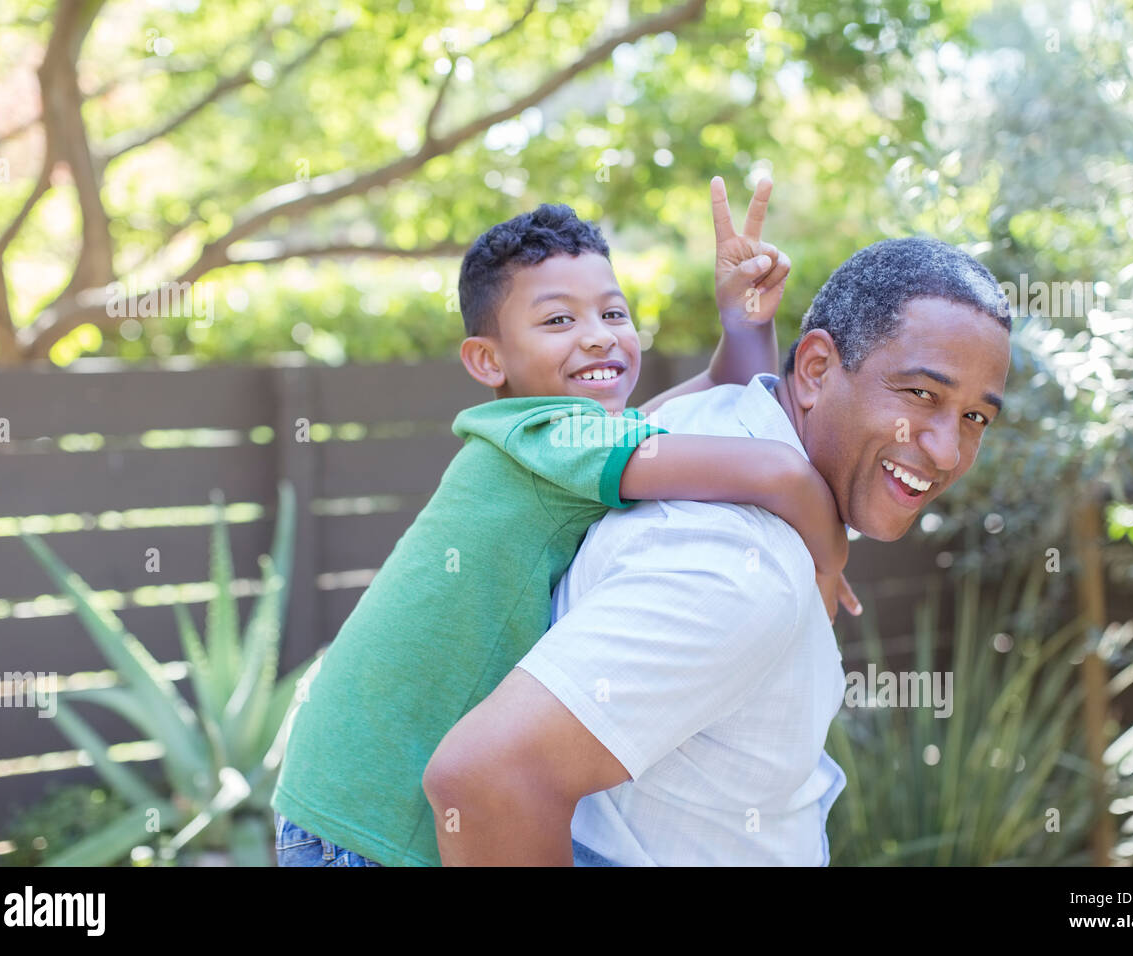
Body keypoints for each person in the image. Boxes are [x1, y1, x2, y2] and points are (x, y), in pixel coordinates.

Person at [270, 177, 856, 867]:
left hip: (338, 801)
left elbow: (721, 403)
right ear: (488, 360)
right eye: (558, 321)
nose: (597, 338)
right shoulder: (553, 438)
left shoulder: (558, 437)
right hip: (363, 829)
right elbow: (775, 471)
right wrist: (827, 561)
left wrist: (745, 321)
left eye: (614, 314)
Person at [422, 236, 1014, 866]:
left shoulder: (704, 424)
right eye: (921, 394)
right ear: (815, 369)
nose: (948, 452)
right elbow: (484, 780)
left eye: (976, 417)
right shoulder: (739, 564)